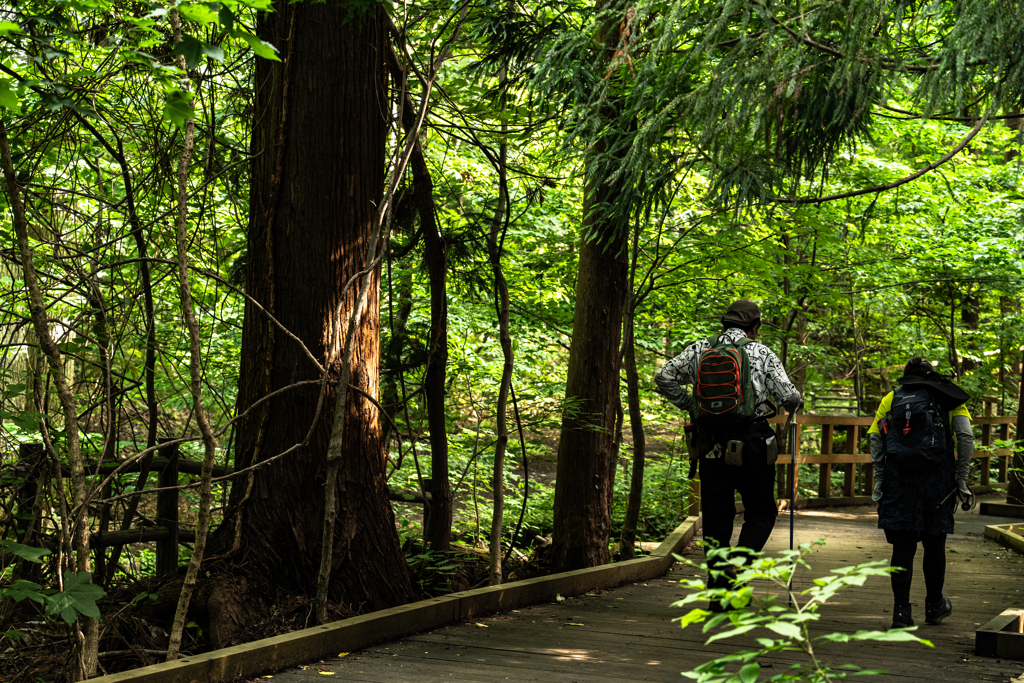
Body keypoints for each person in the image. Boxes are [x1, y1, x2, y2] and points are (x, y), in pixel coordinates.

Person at [655, 299, 802, 607]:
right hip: (753, 444)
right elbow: (788, 396)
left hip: (710, 445)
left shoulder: (699, 350)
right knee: (761, 511)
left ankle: (718, 595)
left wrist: (692, 406)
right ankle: (739, 564)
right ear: (755, 327)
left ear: (724, 324)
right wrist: (795, 401)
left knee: (717, 517)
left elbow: (664, 377)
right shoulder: (762, 353)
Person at [868, 357, 973, 628]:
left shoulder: (892, 398)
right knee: (934, 541)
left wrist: (880, 482)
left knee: (903, 544)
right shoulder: (948, 398)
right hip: (937, 480)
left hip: (899, 478)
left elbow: (876, 439)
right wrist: (961, 480)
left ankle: (901, 610)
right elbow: (965, 437)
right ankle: (934, 605)